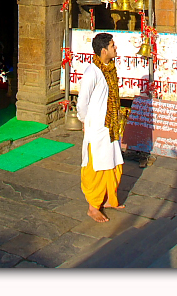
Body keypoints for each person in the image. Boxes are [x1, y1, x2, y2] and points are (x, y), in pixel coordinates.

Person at [76, 32, 125, 222]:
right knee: (95, 166)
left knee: (113, 162)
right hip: (97, 127)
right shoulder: (92, 73)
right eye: (113, 46)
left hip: (111, 126)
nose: (116, 48)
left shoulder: (110, 68)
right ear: (104, 51)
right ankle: (92, 207)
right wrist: (84, 121)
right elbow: (82, 103)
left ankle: (109, 199)